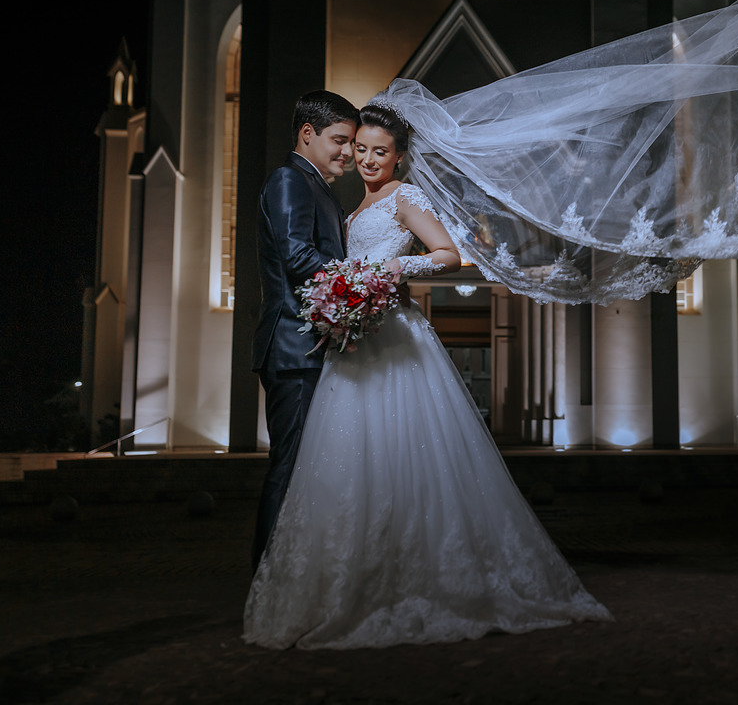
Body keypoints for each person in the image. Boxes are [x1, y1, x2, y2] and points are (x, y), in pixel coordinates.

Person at [243, 99, 612, 650]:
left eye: (375, 150)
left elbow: (450, 254)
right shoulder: (333, 200)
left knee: (398, 456)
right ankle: (329, 578)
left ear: (399, 156)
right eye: (355, 146)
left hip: (383, 336)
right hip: (347, 340)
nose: (362, 157)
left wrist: (393, 268)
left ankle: (393, 577)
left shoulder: (403, 197)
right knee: (343, 465)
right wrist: (354, 287)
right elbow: (306, 260)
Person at [250, 90, 359, 572]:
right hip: (294, 348)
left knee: (312, 469)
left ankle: (302, 573)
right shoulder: (289, 180)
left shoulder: (321, 189)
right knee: (291, 466)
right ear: (307, 134)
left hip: (316, 347)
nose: (348, 153)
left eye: (352, 143)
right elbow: (296, 257)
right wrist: (360, 284)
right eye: (340, 140)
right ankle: (268, 580)